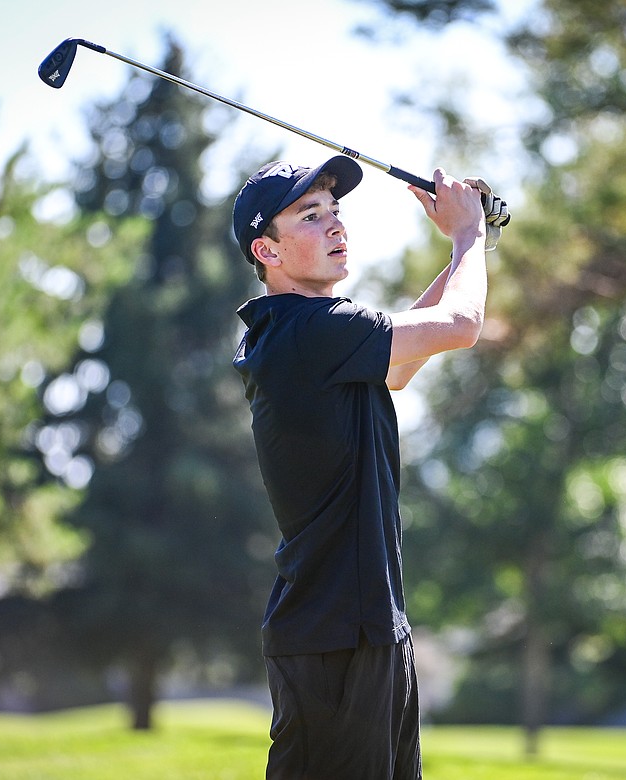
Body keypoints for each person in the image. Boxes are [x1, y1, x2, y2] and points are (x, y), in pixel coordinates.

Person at [231, 154, 503, 779]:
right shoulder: (306, 332)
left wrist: (464, 251)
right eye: (309, 215)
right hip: (334, 641)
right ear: (265, 250)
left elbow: (403, 364)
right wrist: (468, 236)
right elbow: (461, 325)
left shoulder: (315, 337)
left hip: (367, 631)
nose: (335, 227)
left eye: (335, 211)